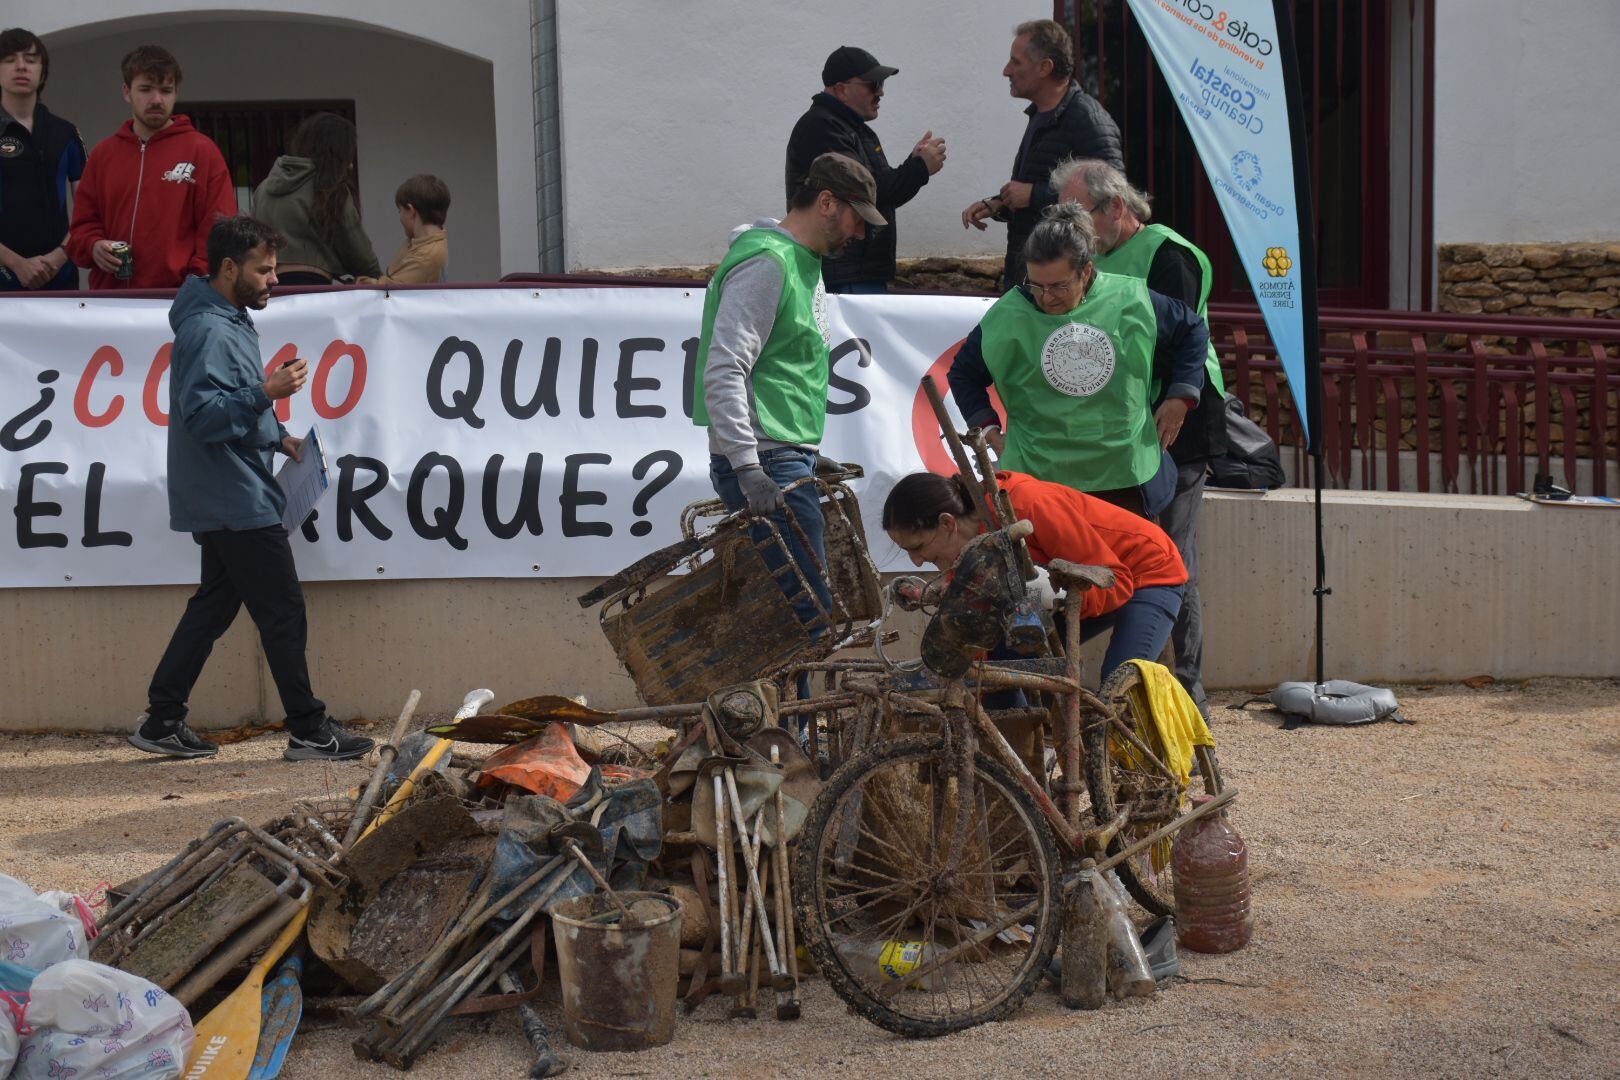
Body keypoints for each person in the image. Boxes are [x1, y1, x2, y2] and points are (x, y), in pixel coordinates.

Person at [132, 215, 375, 762]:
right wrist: (268, 392)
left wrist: (279, 439)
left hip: (225, 492)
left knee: (214, 606)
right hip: (234, 497)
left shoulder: (225, 318)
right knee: (283, 609)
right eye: (263, 270)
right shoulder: (210, 329)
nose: (273, 280)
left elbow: (227, 407)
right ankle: (310, 730)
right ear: (227, 268)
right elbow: (203, 418)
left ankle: (162, 718)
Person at [1054, 158, 1227, 718]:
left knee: (1172, 557)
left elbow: (1181, 339)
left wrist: (1176, 399)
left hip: (1179, 419)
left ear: (1117, 208)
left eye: (1078, 212)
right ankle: (1133, 678)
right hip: (1127, 427)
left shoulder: (1165, 252)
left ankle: (1185, 689)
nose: (1072, 226)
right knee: (1133, 553)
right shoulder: (1098, 258)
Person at [692, 151, 883, 639]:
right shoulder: (769, 264)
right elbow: (724, 367)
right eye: (856, 219)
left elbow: (778, 369)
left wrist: (803, 453)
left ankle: (789, 717)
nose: (859, 234)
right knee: (802, 617)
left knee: (797, 614)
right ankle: (786, 718)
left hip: (780, 456)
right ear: (826, 202)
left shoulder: (797, 260)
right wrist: (749, 465)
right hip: (768, 461)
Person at [948, 202, 1207, 518]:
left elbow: (1193, 331)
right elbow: (963, 374)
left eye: (1059, 285)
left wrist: (1181, 396)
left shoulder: (1131, 299)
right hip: (1040, 478)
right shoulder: (1008, 314)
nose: (1047, 297)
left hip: (1124, 474)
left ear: (1086, 271)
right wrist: (990, 431)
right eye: (1037, 285)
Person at [883, 469, 1187, 688]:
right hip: (1088, 587)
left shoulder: (1027, 504)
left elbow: (1116, 580)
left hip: (1148, 570)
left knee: (1118, 686)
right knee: (1000, 669)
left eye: (919, 547)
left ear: (947, 522)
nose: (917, 561)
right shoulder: (969, 541)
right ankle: (1021, 765)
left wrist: (1056, 599)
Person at [959, 19, 1123, 290]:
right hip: (1034, 279)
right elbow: (1040, 191)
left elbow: (1112, 197)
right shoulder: (1041, 114)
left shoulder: (1087, 119)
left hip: (1060, 288)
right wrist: (1002, 203)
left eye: (1016, 62)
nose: (1006, 71)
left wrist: (1033, 194)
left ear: (1045, 67)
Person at [66, 45, 235, 290]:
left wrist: (196, 285)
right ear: (127, 92)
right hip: (111, 304)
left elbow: (220, 231)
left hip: (180, 300)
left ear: (176, 93)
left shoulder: (202, 151)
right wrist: (93, 246)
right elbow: (81, 229)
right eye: (145, 89)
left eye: (166, 91)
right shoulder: (103, 155)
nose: (156, 100)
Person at [784, 45, 946, 294]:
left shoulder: (850, 128)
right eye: (873, 84)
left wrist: (915, 163)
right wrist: (919, 168)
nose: (880, 92)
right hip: (844, 273)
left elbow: (876, 190)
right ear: (841, 89)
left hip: (855, 270)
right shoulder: (823, 126)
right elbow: (863, 194)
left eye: (881, 84)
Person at [0, 28, 85, 291]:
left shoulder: (65, 133)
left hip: (59, 275)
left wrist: (57, 259)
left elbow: (89, 210)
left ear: (43, 72)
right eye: (10, 59)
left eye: (30, 59)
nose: (21, 66)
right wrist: (16, 264)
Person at [251, 112, 380, 285]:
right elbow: (357, 248)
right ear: (338, 152)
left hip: (271, 287)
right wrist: (378, 278)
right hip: (315, 285)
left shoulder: (264, 187)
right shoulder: (329, 188)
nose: (350, 164)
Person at [357, 173, 450, 285]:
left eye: (400, 211)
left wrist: (358, 282)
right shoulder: (420, 241)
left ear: (411, 211)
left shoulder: (426, 257)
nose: (400, 217)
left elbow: (391, 290)